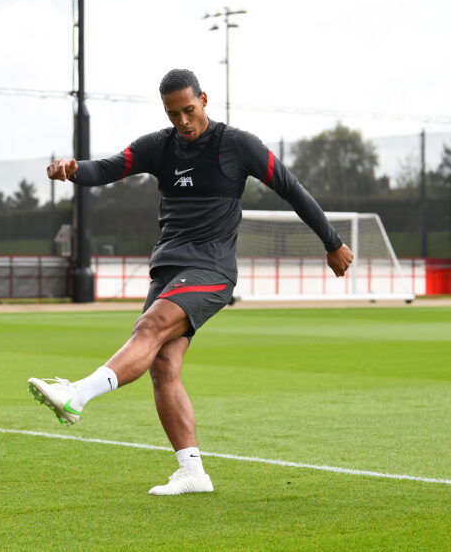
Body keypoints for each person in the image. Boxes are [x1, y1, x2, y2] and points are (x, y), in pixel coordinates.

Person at [27, 68, 353, 496]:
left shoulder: (238, 145)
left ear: (204, 99)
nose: (182, 121)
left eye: (189, 110)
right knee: (163, 367)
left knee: (147, 329)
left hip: (212, 269)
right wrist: (73, 170)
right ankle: (193, 473)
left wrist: (332, 243)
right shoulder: (158, 147)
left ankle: (76, 396)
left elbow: (292, 189)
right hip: (169, 267)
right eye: (173, 113)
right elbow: (110, 167)